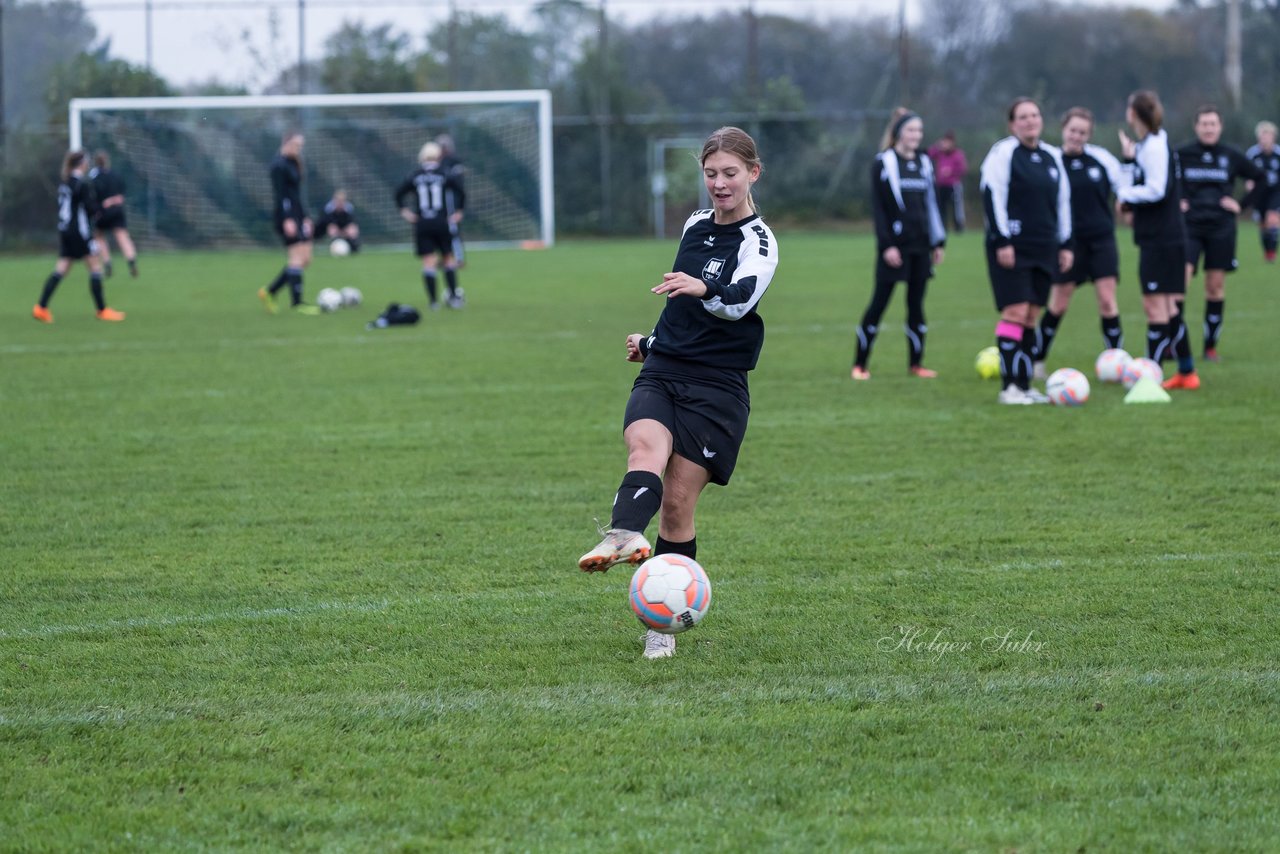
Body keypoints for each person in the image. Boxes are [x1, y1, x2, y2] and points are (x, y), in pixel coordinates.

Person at [577, 127, 778, 660]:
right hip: (665, 369)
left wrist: (704, 286)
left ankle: (662, 624)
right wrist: (652, 341)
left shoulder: (759, 241)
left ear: (752, 174)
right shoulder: (694, 223)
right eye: (711, 174)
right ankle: (622, 534)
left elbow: (738, 302)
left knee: (677, 505)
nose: (718, 183)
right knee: (644, 449)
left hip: (717, 386)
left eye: (729, 173)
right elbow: (679, 310)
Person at [978, 98, 1073, 405]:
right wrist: (1002, 240)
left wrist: (1065, 243)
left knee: (1032, 315)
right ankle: (1010, 388)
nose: (1030, 121)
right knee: (1015, 311)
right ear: (1012, 124)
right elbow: (993, 195)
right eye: (1023, 117)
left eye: (1034, 115)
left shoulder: (1052, 156)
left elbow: (1063, 203)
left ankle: (1025, 384)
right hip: (1012, 247)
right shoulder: (1003, 153)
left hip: (1044, 246)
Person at [851, 107, 946, 380]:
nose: (916, 135)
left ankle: (916, 365)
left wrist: (938, 242)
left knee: (916, 305)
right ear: (898, 134)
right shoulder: (884, 163)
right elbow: (879, 210)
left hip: (921, 246)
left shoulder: (925, 162)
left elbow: (932, 206)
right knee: (879, 303)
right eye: (911, 130)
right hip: (895, 248)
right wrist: (887, 246)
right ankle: (860, 365)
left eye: (919, 130)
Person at [1032, 107, 1125, 375]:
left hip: (1101, 240)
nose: (1076, 136)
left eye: (1082, 132)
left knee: (1107, 300)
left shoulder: (1102, 160)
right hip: (1067, 243)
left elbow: (1125, 188)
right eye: (1073, 130)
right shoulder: (1051, 160)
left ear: (1089, 135)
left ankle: (1115, 363)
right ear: (1063, 129)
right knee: (1059, 303)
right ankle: (1037, 360)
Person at [1177, 105, 1263, 367]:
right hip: (1189, 227)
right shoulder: (1181, 154)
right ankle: (1174, 343)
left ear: (1220, 127)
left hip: (1221, 228)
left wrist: (1242, 204)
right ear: (1196, 126)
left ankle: (1210, 347)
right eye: (1204, 123)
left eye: (1213, 124)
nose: (1208, 128)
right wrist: (1177, 200)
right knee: (1180, 283)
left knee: (1214, 286)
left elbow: (1263, 179)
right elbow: (1164, 179)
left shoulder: (1231, 155)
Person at [1115, 90, 1188, 381]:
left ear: (1133, 113)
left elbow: (1157, 189)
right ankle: (1187, 371)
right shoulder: (1148, 145)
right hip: (1160, 236)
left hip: (1162, 237)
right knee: (1169, 307)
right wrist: (1128, 160)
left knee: (1155, 305)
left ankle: (1149, 378)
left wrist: (1125, 194)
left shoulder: (1155, 146)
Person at [31, 150, 125, 324]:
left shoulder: (66, 183)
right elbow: (91, 209)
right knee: (96, 267)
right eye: (86, 161)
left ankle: (41, 308)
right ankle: (102, 310)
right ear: (81, 163)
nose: (88, 164)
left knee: (61, 268)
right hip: (78, 232)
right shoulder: (81, 184)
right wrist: (105, 206)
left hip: (65, 229)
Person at [395, 141, 465, 310]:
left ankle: (433, 302)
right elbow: (461, 191)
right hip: (441, 221)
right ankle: (454, 298)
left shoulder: (415, 175)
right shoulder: (444, 174)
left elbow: (398, 194)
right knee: (448, 258)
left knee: (428, 261)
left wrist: (405, 212)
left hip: (422, 223)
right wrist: (459, 211)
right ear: (438, 156)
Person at [257, 131, 318, 315]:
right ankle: (297, 303)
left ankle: (270, 291)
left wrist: (305, 217)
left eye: (300, 146)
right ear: (286, 143)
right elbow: (281, 196)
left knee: (305, 259)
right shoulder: (278, 165)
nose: (298, 149)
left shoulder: (293, 163)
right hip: (286, 217)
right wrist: (288, 219)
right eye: (296, 145)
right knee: (297, 258)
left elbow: (297, 195)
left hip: (298, 215)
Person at [88, 151, 138, 278]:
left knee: (99, 237)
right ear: (107, 161)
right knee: (122, 236)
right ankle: (131, 261)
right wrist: (114, 200)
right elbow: (121, 196)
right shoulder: (116, 175)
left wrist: (101, 206)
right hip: (117, 210)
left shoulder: (94, 178)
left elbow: (92, 197)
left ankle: (107, 262)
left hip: (102, 212)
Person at [1244, 120, 1280, 263]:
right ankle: (1267, 251)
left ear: (1273, 137)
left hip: (1276, 191)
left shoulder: (1278, 153)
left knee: (1273, 219)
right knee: (1263, 224)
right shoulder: (1253, 154)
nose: (1265, 139)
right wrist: (1249, 183)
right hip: (1260, 193)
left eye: (1268, 135)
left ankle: (1272, 252)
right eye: (1262, 136)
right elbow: (1247, 172)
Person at [435, 133, 467, 266]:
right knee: (441, 229)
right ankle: (446, 256)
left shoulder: (453, 161)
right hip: (440, 200)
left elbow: (458, 182)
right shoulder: (439, 162)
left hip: (451, 199)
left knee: (453, 228)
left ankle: (458, 259)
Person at [927, 130, 968, 232]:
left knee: (956, 208)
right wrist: (937, 146)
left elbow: (963, 169)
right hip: (940, 185)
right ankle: (942, 227)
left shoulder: (958, 154)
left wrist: (951, 172)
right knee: (941, 208)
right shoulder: (939, 153)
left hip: (953, 185)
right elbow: (928, 154)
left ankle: (959, 228)